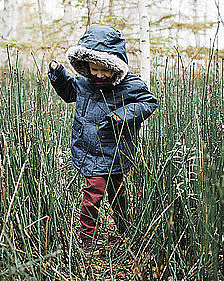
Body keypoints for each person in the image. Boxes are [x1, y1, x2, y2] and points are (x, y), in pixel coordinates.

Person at [47, 24, 157, 253]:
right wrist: (58, 75)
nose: (98, 75)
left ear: (115, 66)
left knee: (118, 193)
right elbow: (68, 93)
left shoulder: (131, 84)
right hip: (89, 151)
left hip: (116, 151)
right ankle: (87, 237)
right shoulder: (85, 82)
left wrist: (122, 116)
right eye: (93, 69)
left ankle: (126, 229)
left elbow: (148, 103)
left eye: (104, 70)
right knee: (92, 195)